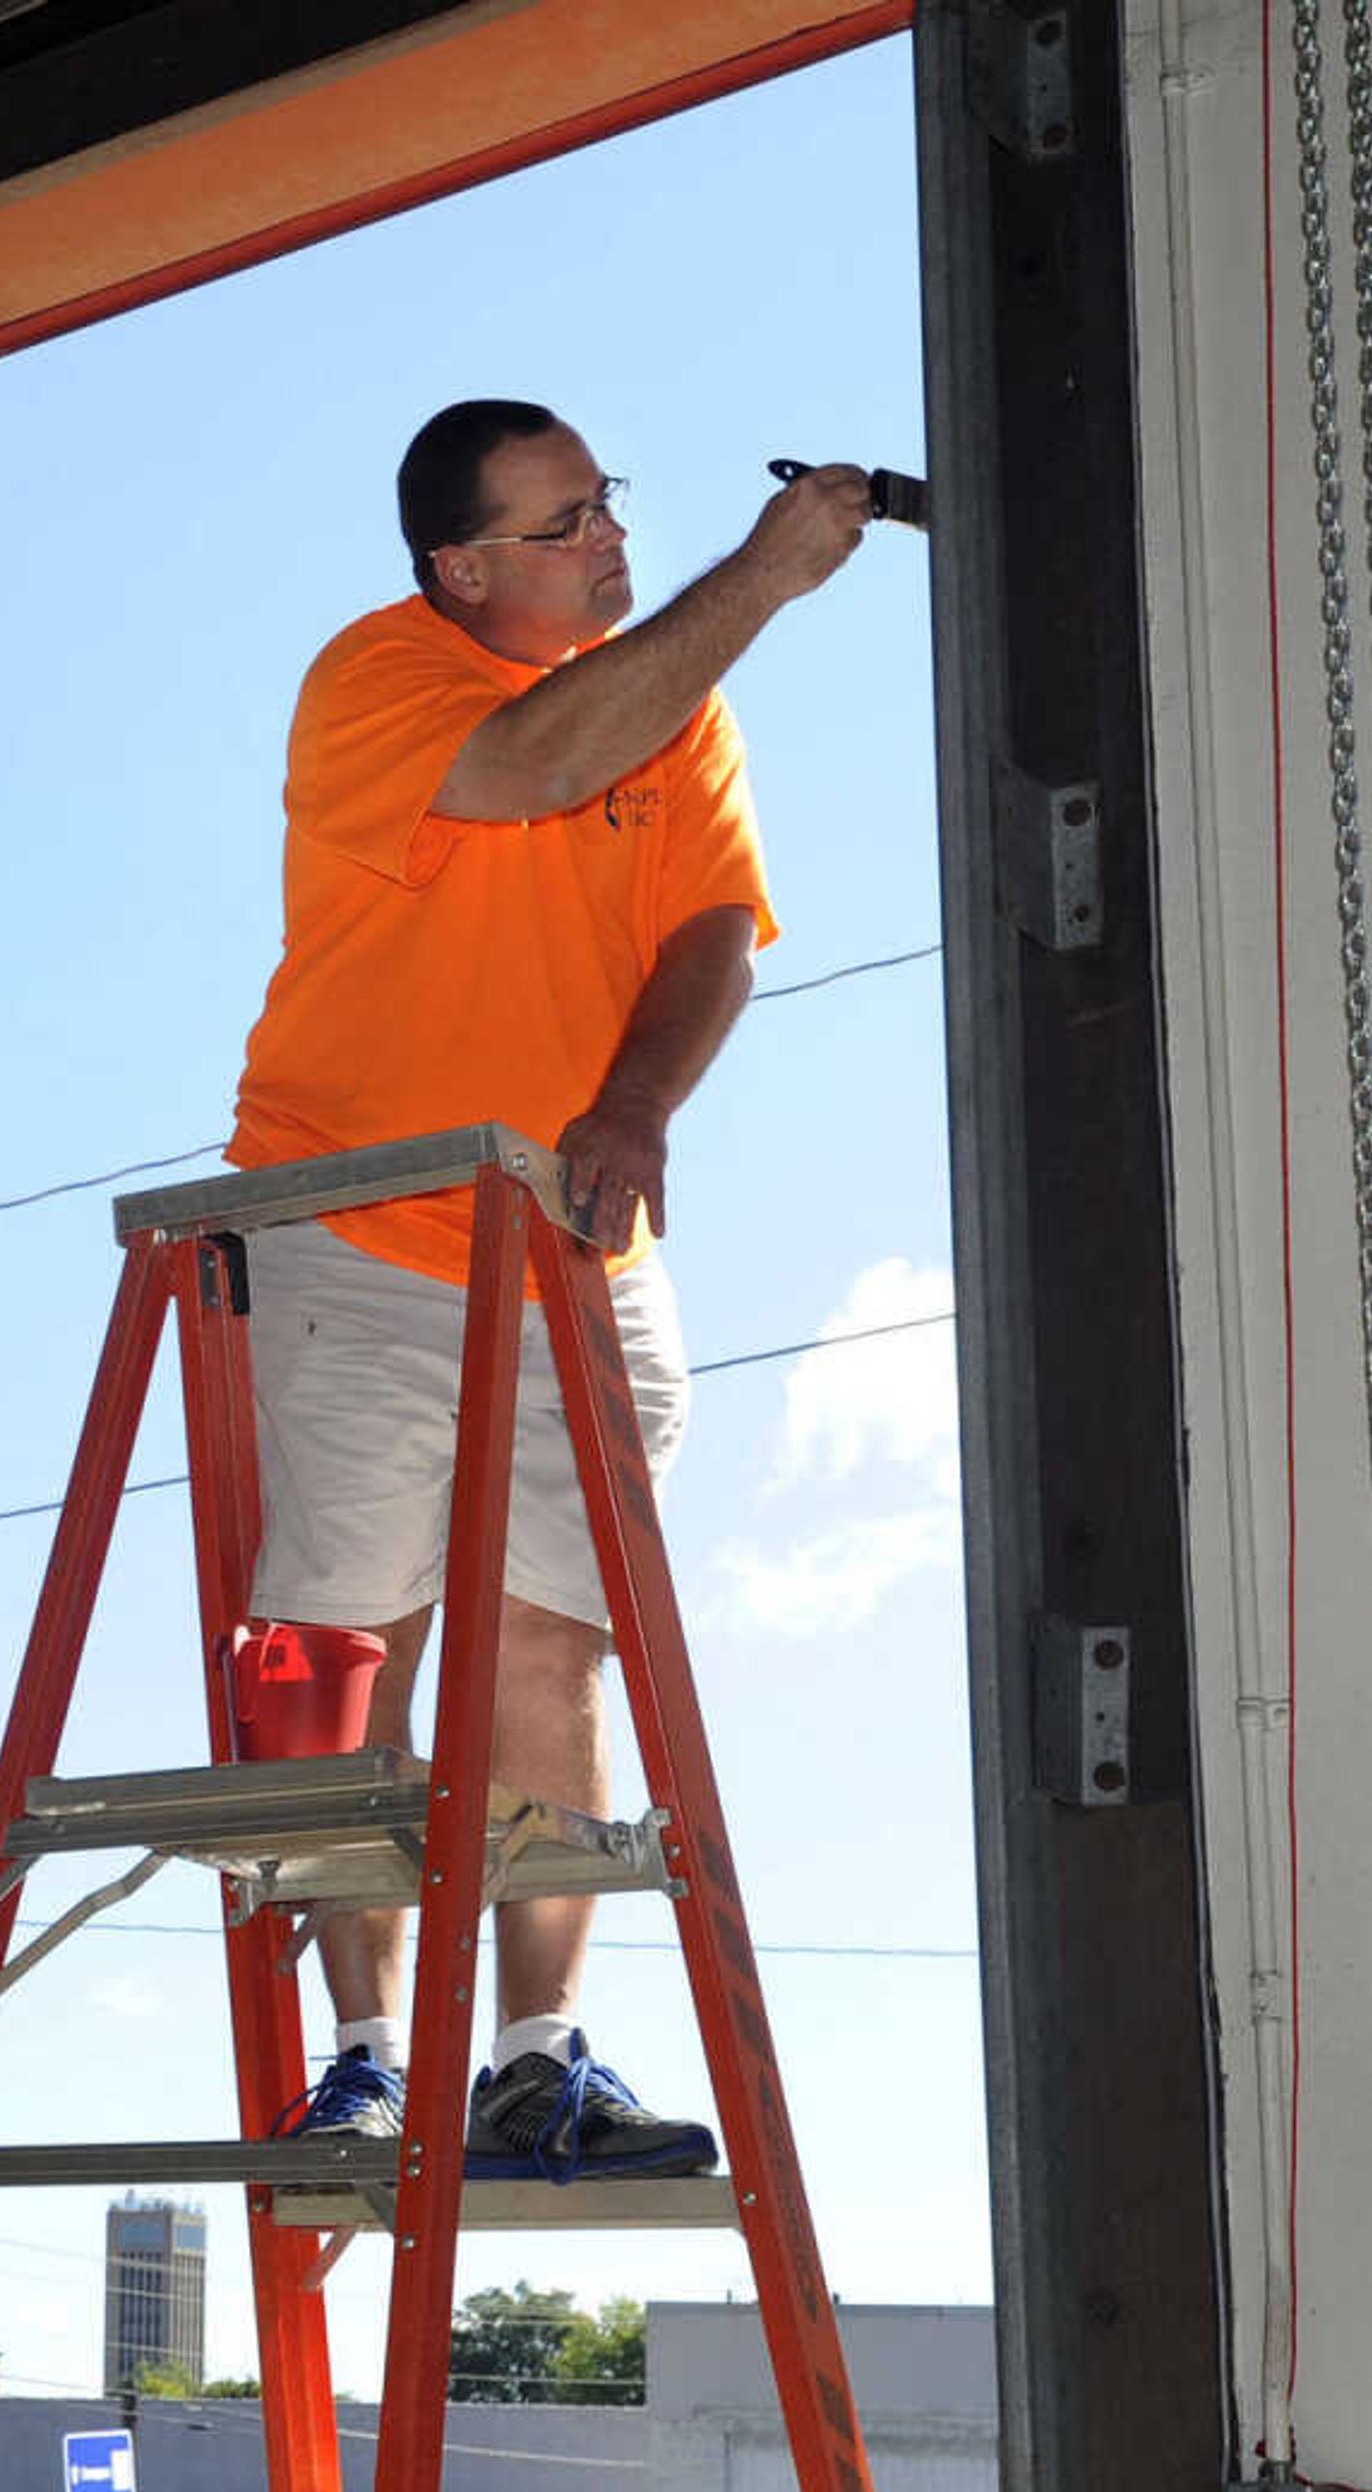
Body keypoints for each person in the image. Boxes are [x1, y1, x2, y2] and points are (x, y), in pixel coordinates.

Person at [236, 400, 871, 2179]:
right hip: (361, 1219)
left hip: (573, 1239)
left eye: (610, 505)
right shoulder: (374, 679)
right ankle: (362, 2060)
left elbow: (712, 933)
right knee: (344, 1651)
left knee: (552, 1642)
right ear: (461, 566)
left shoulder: (677, 705)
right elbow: (527, 761)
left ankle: (536, 2055)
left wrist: (637, 1105)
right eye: (566, 518)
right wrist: (762, 579)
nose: (609, 536)